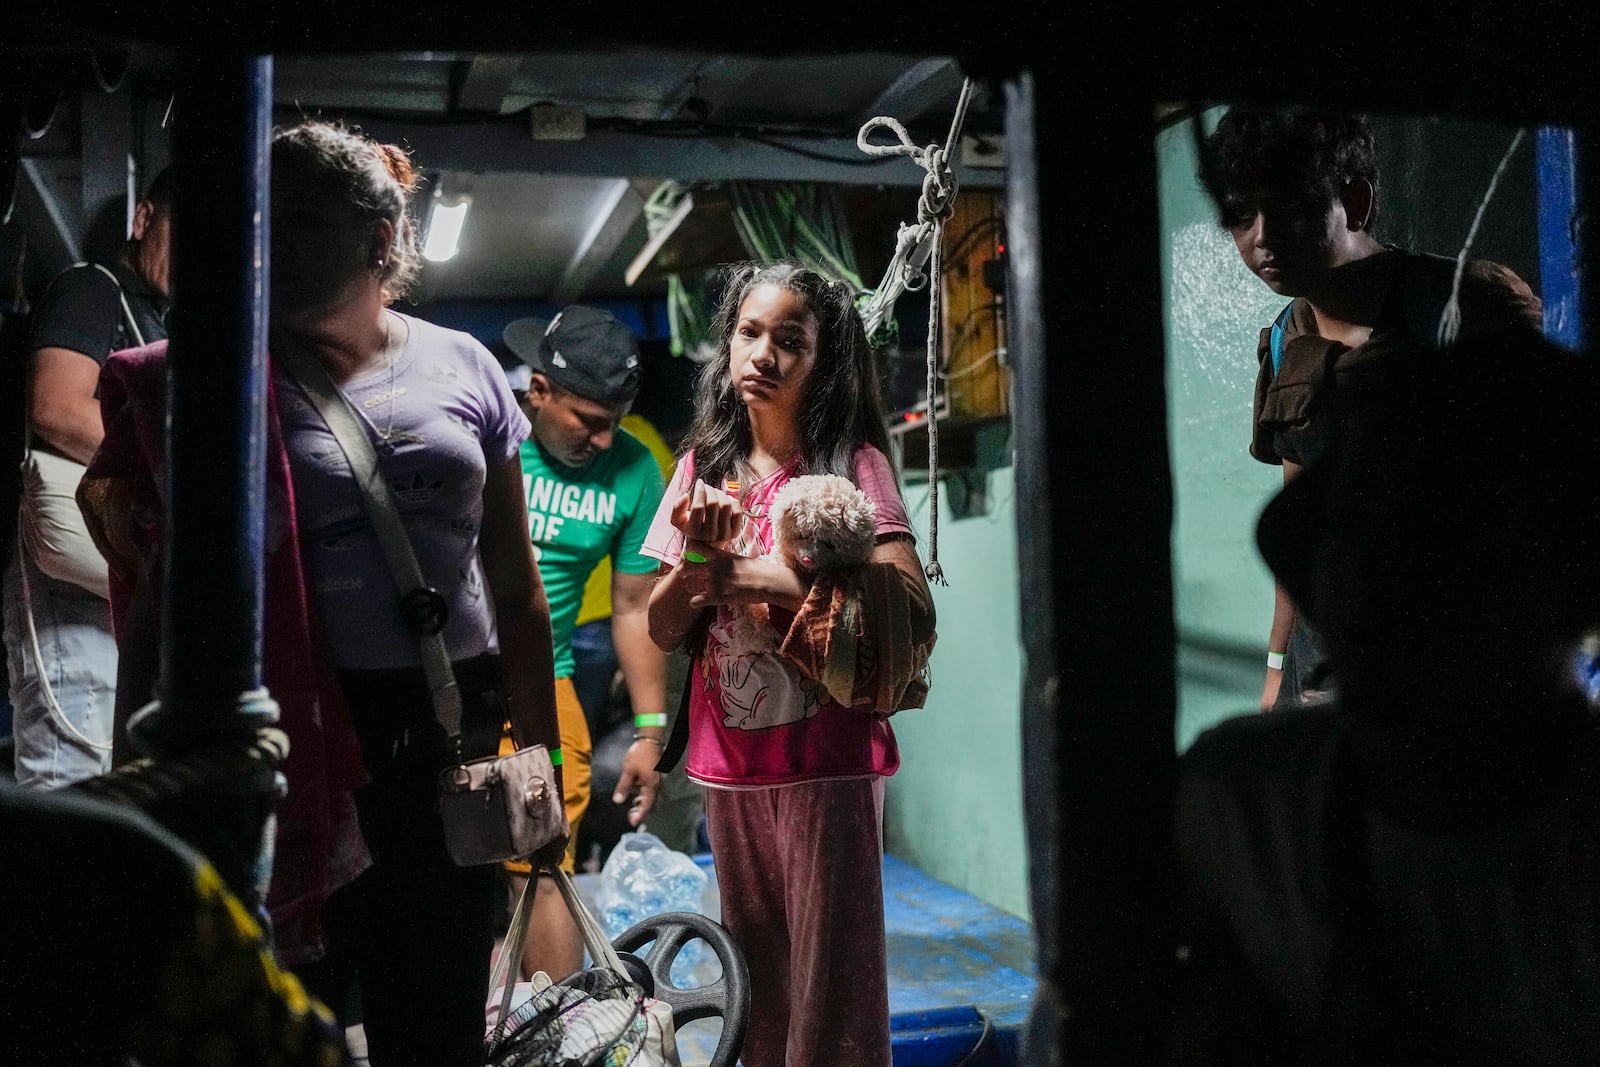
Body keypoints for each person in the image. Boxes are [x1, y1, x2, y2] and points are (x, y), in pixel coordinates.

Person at [80, 120, 564, 1067]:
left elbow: (514, 584)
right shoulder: (212, 384)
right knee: (289, 1026)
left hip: (446, 741)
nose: (273, 244)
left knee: (440, 1022)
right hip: (296, 746)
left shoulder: (462, 366)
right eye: (266, 221)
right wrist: (135, 776)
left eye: (303, 221)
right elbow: (161, 595)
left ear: (379, 241)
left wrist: (539, 759)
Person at [1169, 335, 1600, 1064]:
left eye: (1451, 553)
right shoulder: (1243, 809)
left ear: (1563, 586)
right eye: (1358, 535)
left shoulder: (1249, 813)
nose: (1384, 587)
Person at [643, 262, 937, 1067]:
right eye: (748, 331)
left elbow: (907, 602)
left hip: (831, 764)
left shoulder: (851, 465)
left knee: (835, 991)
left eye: (789, 339)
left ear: (825, 360)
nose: (761, 353)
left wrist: (742, 575)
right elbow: (665, 626)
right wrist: (700, 558)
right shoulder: (701, 468)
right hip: (730, 767)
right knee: (759, 990)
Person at [1199, 109, 1544, 711]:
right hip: (1324, 682)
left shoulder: (1465, 308)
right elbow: (1302, 528)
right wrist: (1278, 668)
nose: (1262, 237)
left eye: (1290, 205)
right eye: (1240, 215)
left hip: (1448, 680)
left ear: (1354, 202)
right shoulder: (1287, 338)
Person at [494, 307, 670, 981]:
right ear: (539, 389)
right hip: (451, 672)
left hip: (548, 676)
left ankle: (557, 1034)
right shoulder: (490, 437)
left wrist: (649, 732)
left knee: (543, 859)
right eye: (586, 420)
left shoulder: (633, 471)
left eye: (613, 421)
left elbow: (632, 605)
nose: (601, 439)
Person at [3, 167, 171, 787]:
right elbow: (56, 405)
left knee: (115, 781)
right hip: (68, 577)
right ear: (144, 219)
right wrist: (181, 472)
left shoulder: (164, 322)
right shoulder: (94, 288)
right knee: (70, 771)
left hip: (115, 581)